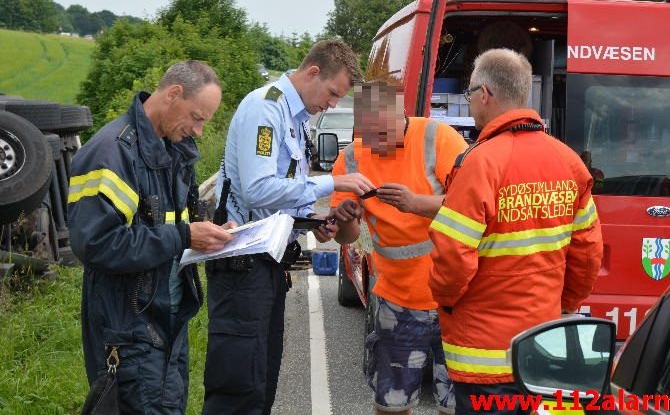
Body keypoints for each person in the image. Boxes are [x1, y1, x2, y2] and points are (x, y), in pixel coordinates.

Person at [204, 39, 376, 415]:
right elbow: (258, 187)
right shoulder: (266, 109)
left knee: (260, 382)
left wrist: (313, 223)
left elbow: (280, 193)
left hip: (267, 266)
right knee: (238, 389)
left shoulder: (294, 118)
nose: (332, 104)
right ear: (313, 72)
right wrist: (333, 183)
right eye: (332, 93)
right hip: (242, 267)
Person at [427, 48, 603, 415]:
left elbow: (452, 257)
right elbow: (587, 255)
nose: (471, 103)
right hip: (543, 351)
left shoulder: (480, 163)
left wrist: (446, 300)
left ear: (486, 94)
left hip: (482, 359)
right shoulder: (568, 161)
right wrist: (566, 306)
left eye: (470, 94)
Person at [68, 60, 234, 414]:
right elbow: (96, 245)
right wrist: (185, 236)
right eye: (197, 117)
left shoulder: (171, 151)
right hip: (130, 330)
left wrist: (209, 233)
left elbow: (171, 225)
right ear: (173, 94)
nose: (200, 130)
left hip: (166, 323)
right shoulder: (110, 153)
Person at [332, 80, 467, 415]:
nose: (376, 145)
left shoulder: (439, 139)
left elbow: (473, 204)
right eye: (368, 135)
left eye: (383, 134)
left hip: (457, 298)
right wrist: (347, 218)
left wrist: (416, 203)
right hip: (399, 301)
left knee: (456, 405)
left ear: (402, 116)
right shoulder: (350, 159)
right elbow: (345, 238)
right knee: (391, 403)